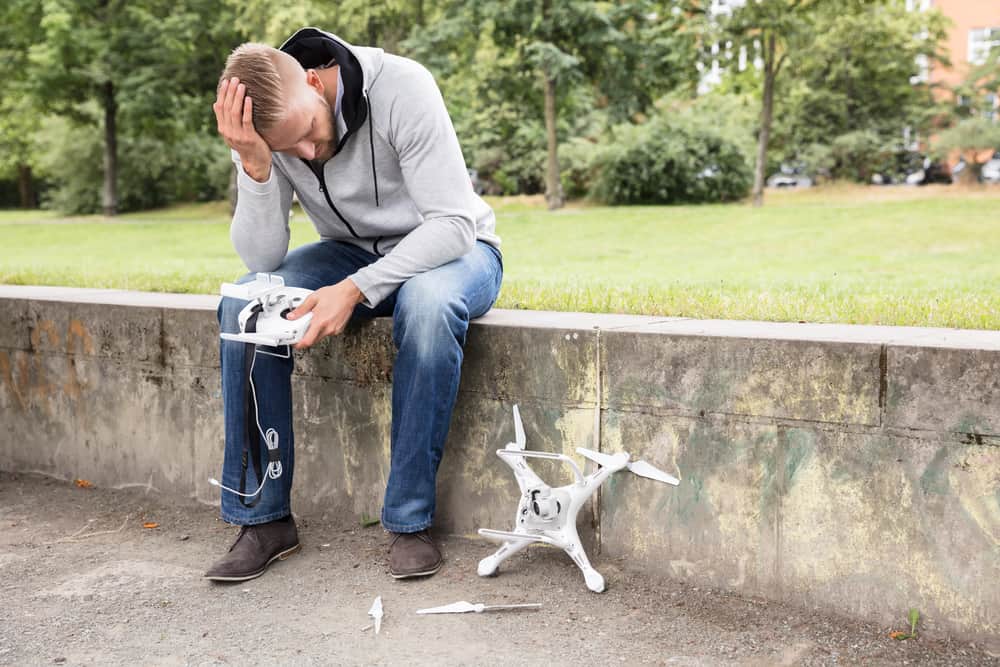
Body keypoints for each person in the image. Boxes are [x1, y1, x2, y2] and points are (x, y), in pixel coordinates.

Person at [204, 27, 502, 582]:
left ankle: (410, 522)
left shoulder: (404, 86)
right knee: (246, 300)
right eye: (287, 149)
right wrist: (255, 164)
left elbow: (454, 224)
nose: (308, 154)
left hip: (453, 252)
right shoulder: (271, 127)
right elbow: (264, 256)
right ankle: (263, 518)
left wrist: (360, 288)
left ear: (315, 83)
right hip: (348, 254)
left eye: (308, 135)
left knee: (429, 306)